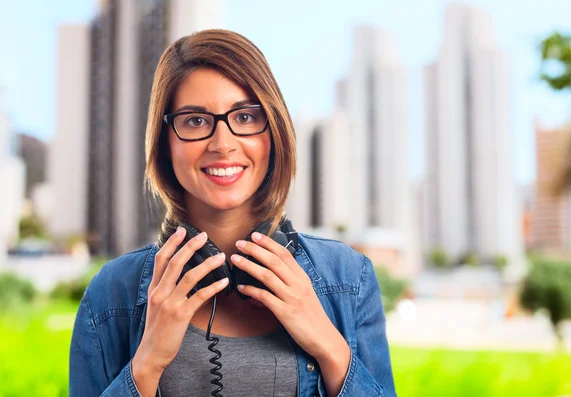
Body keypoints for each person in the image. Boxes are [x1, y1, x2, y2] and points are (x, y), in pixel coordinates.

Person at [69, 29, 395, 397]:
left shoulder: (349, 280)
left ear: (273, 131)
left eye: (244, 117)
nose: (223, 144)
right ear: (165, 142)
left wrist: (330, 348)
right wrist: (147, 364)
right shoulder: (112, 295)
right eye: (194, 121)